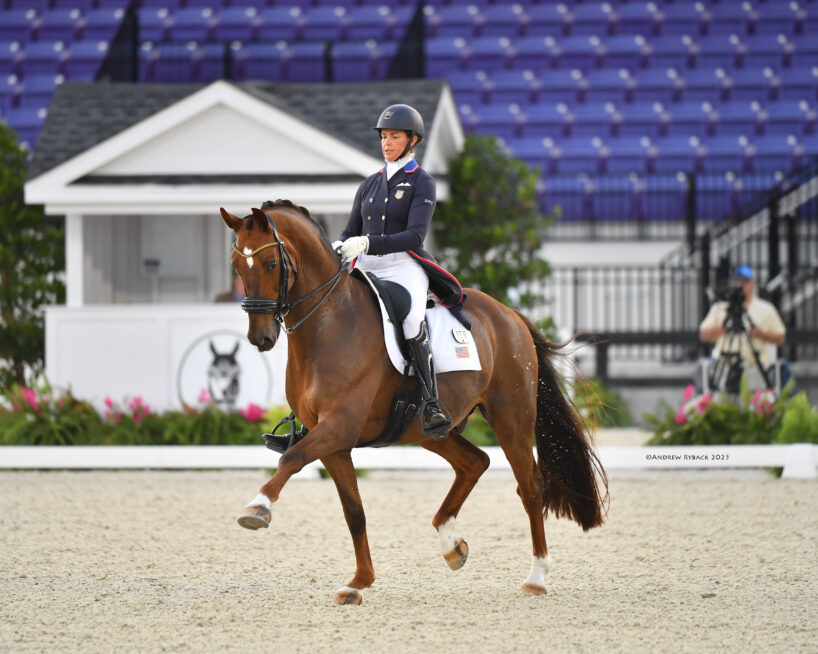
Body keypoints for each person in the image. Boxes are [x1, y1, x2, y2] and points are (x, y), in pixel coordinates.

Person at [331, 104, 452, 436]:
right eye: (384, 137)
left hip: (403, 266)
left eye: (394, 137)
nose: (386, 143)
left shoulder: (421, 183)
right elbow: (349, 230)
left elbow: (414, 236)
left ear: (412, 140)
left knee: (412, 319)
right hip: (366, 267)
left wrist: (368, 244)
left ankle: (431, 402)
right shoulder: (369, 184)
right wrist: (339, 246)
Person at [699, 265, 786, 391]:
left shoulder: (766, 309)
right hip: (724, 366)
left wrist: (760, 334)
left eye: (745, 282)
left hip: (754, 367)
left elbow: (781, 338)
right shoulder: (720, 308)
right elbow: (703, 334)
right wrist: (720, 329)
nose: (741, 285)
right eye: (738, 281)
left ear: (752, 284)